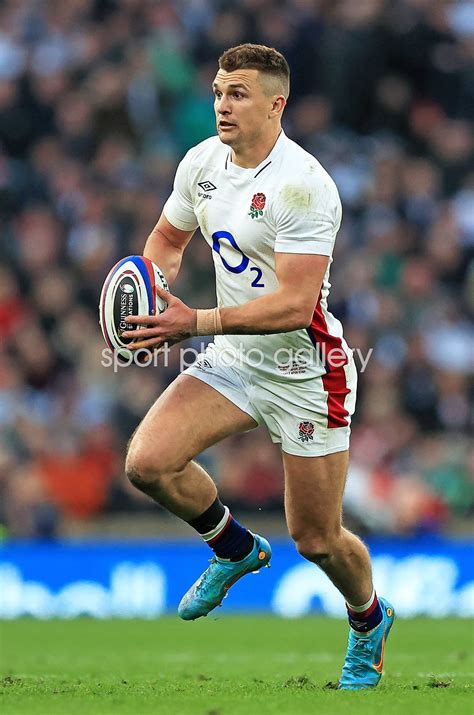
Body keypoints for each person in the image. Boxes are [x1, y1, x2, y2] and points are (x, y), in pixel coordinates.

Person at [122, 43, 394, 690]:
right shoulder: (201, 164)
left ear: (277, 105)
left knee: (318, 538)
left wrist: (193, 321)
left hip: (309, 372)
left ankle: (369, 619)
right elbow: (165, 239)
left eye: (238, 94)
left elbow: (296, 304)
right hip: (236, 361)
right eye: (219, 91)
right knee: (147, 463)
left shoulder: (304, 184)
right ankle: (234, 547)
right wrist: (154, 287)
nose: (222, 104)